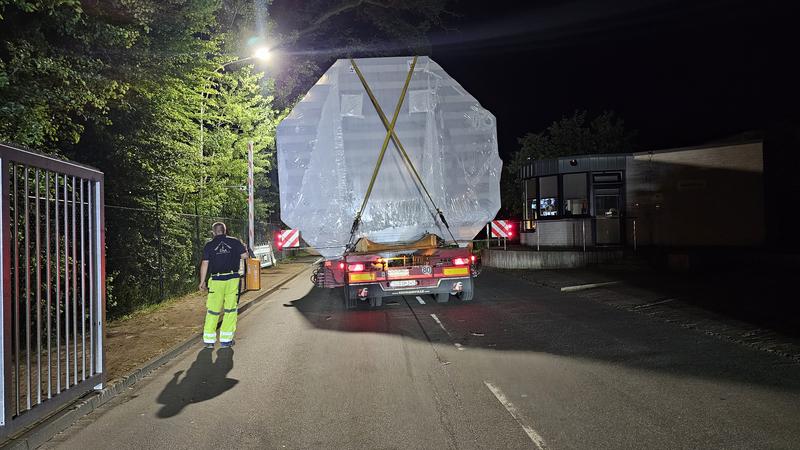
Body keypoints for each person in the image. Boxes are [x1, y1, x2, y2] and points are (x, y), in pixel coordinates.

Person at [199, 222, 248, 348]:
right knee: (230, 309)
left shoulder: (209, 245)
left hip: (216, 280)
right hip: (232, 279)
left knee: (213, 310)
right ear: (225, 231)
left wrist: (202, 281)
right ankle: (226, 340)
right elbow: (245, 256)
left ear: (213, 232)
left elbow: (205, 264)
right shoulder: (235, 242)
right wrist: (244, 247)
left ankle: (209, 340)